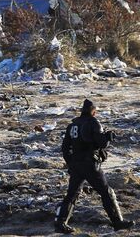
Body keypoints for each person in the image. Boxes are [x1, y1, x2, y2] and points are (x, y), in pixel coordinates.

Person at [55, 99, 134, 234]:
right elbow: (102, 143)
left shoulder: (73, 125)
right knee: (106, 192)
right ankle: (117, 222)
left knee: (72, 194)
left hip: (77, 164)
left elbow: (65, 147)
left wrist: (71, 163)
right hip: (90, 164)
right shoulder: (93, 122)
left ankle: (61, 223)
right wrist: (109, 137)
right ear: (93, 112)